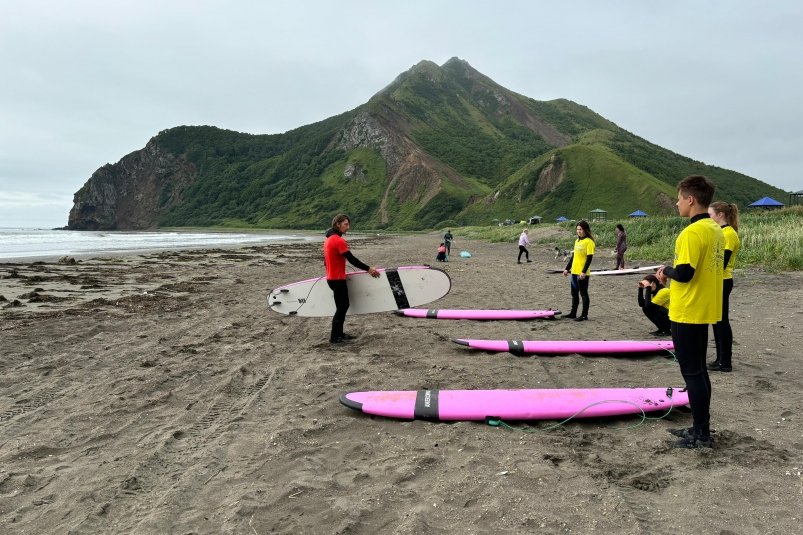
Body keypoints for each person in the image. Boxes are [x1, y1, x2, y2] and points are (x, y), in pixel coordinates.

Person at [656, 175, 724, 449]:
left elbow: (684, 273)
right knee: (699, 372)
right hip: (705, 308)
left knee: (692, 373)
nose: (676, 203)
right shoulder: (716, 229)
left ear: (691, 200)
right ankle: (699, 428)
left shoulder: (692, 232)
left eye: (679, 198)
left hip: (687, 310)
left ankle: (702, 435)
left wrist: (665, 271)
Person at [323, 214, 380, 344]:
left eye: (348, 224)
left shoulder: (328, 240)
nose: (348, 227)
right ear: (337, 224)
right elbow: (352, 259)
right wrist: (368, 269)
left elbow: (326, 262)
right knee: (342, 307)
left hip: (331, 278)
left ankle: (339, 334)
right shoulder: (338, 240)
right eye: (345, 224)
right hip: (337, 280)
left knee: (341, 306)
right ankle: (335, 337)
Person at [708, 201, 741, 372]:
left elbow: (721, 263)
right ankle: (719, 359)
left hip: (722, 281)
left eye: (711, 215)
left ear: (720, 215)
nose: (709, 218)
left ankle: (725, 362)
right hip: (717, 281)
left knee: (722, 321)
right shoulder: (721, 232)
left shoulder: (728, 234)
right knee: (716, 321)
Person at [562, 220, 595, 321]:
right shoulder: (577, 241)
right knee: (574, 293)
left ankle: (584, 315)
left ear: (585, 230)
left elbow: (589, 259)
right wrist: (567, 269)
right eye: (577, 229)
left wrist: (584, 272)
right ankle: (573, 313)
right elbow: (573, 257)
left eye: (580, 229)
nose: (579, 231)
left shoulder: (589, 242)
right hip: (574, 272)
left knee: (583, 294)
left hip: (582, 274)